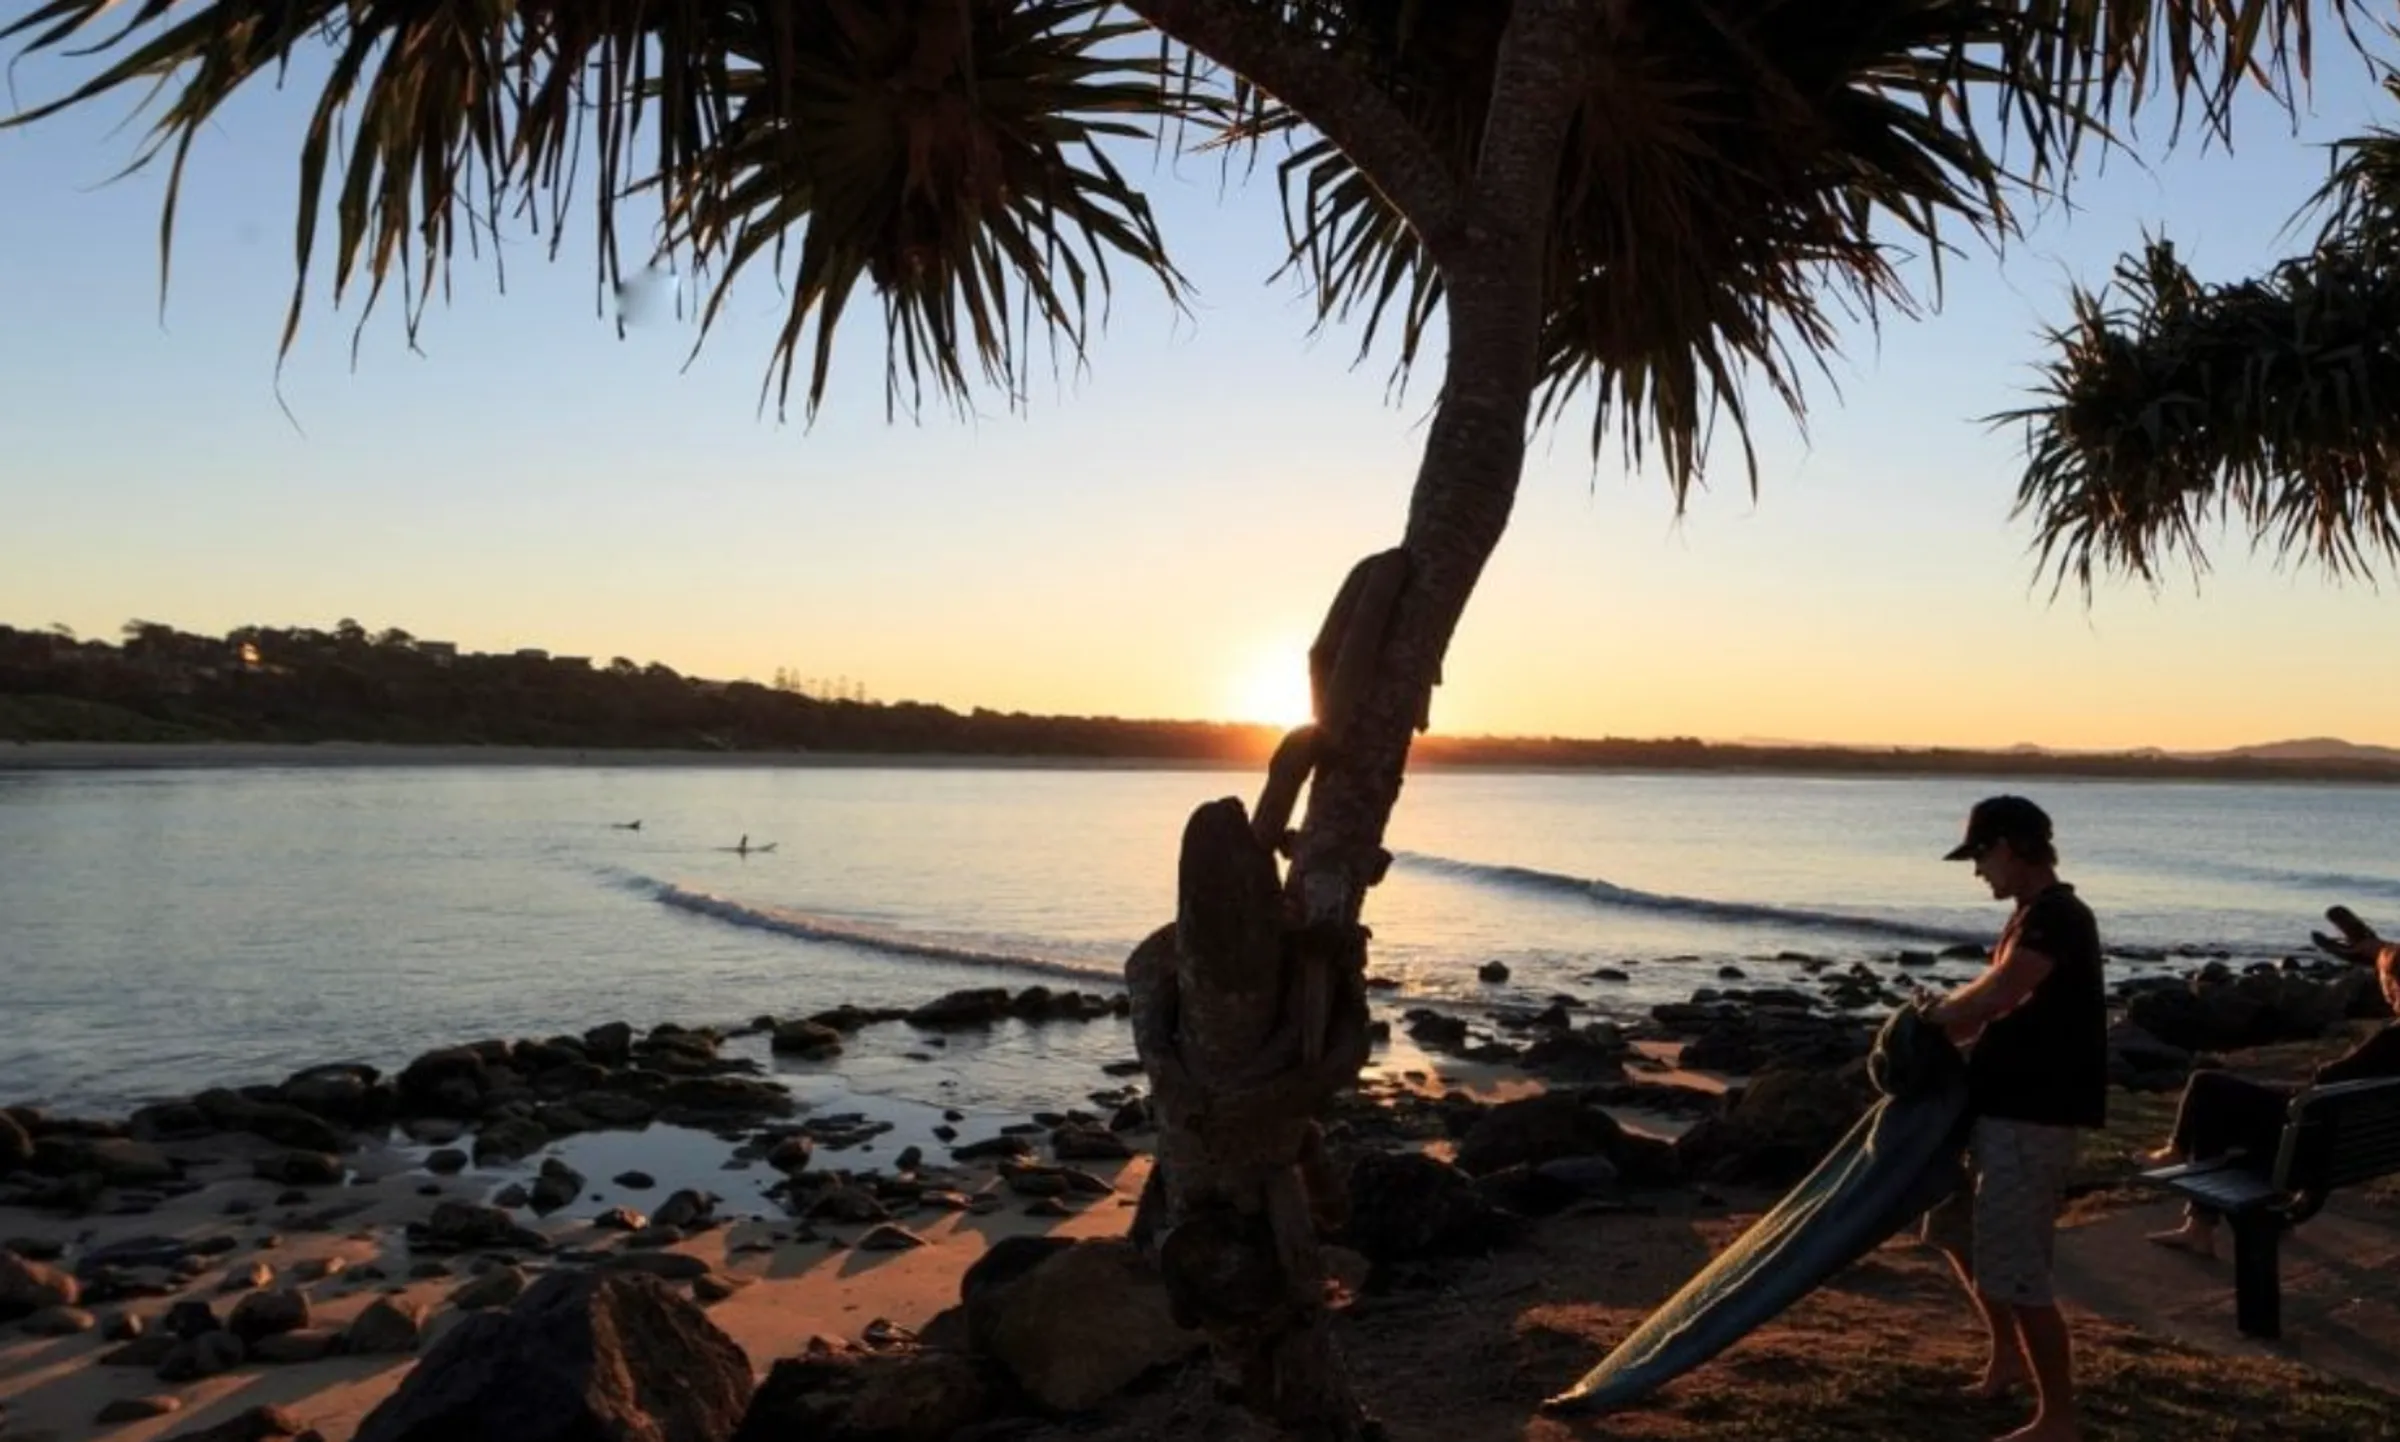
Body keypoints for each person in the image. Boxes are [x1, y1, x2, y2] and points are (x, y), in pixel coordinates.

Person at [1919, 795, 2108, 1442]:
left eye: (1980, 855)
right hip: (1997, 1110)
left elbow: (2004, 991)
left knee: (2020, 1269)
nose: (1977, 872)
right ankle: (2004, 1357)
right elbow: (1997, 1014)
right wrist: (1947, 1032)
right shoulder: (2030, 916)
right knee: (1957, 1232)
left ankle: (2059, 1418)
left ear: (2010, 846)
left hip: (2033, 1119)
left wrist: (1938, 1015)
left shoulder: (2057, 916)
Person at [2141, 906, 2400, 1257]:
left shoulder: (2393, 1040)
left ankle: (2181, 1164)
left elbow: (2328, 1079)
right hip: (2353, 1144)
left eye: (2385, 984)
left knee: (2207, 1086)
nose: (2382, 992)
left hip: (2314, 1140)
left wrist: (2325, 1068)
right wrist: (2375, 949)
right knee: (2229, 1104)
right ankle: (2200, 1222)